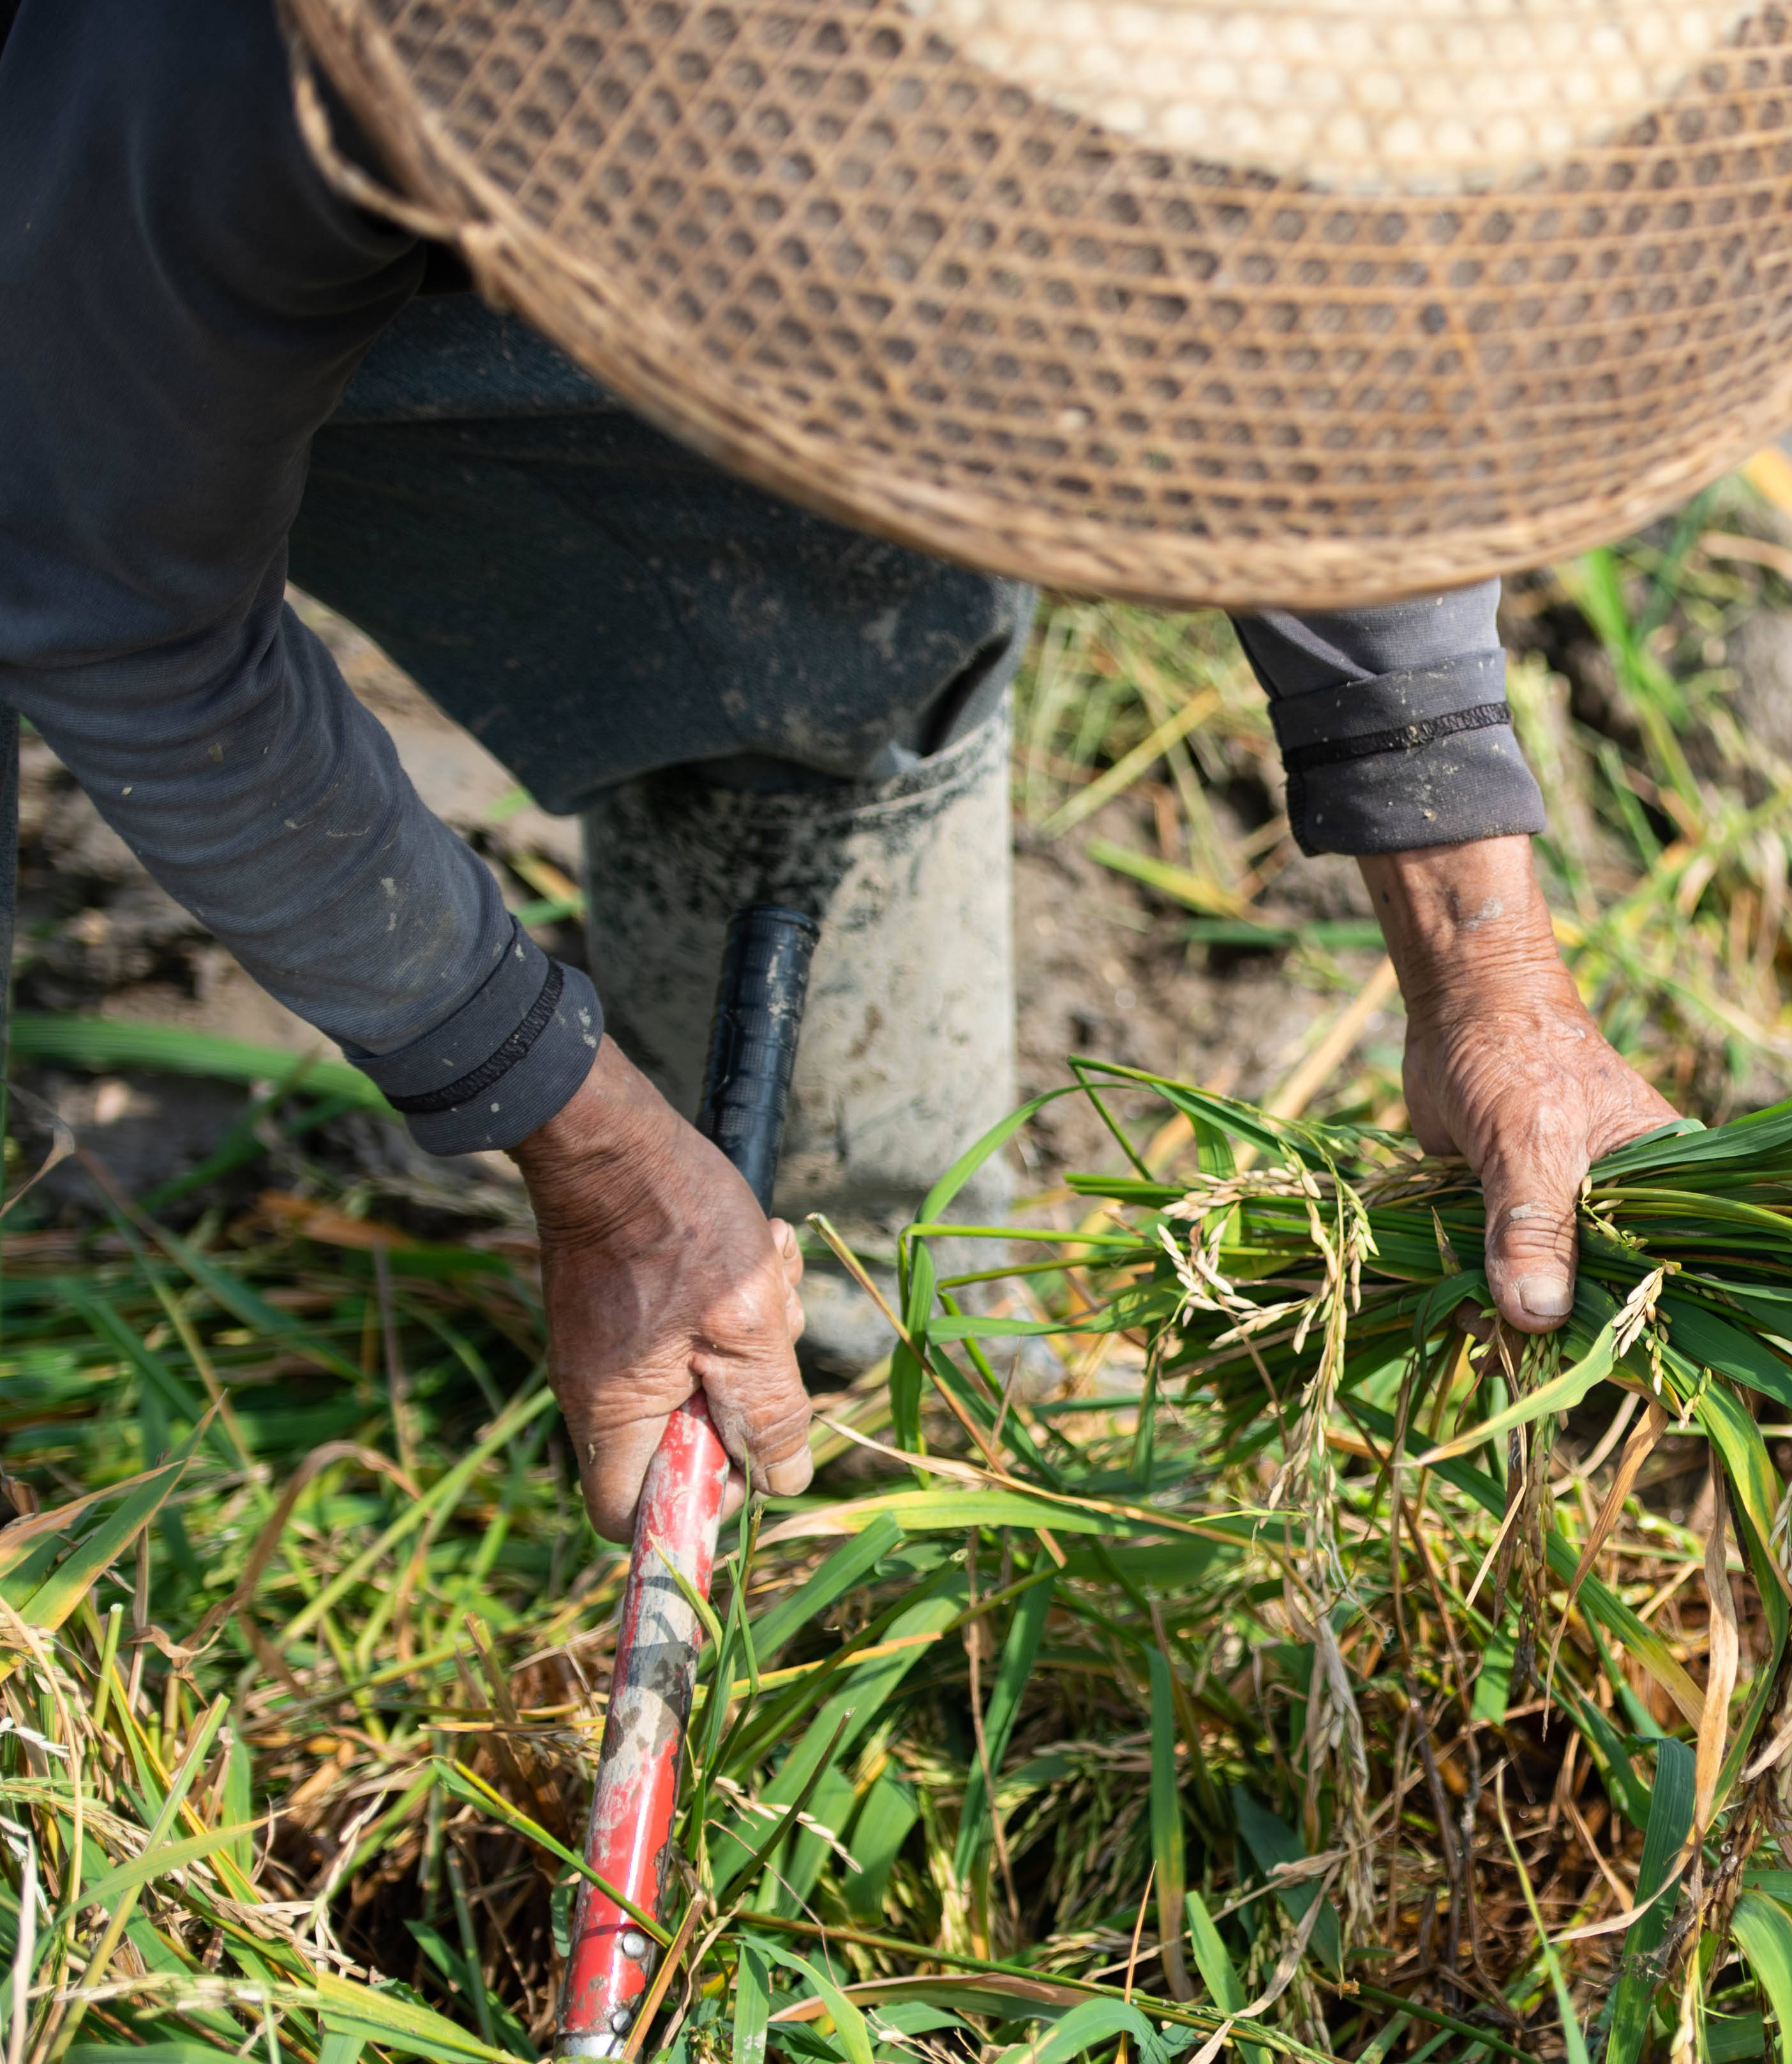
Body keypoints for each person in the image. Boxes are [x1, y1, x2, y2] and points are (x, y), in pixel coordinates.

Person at [0, 0, 1682, 1541]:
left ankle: (859, 1370)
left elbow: (1308, 278)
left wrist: (1491, 974)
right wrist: (567, 1126)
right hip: (121, 198)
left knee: (841, 631)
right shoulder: (233, 66)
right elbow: (111, 603)